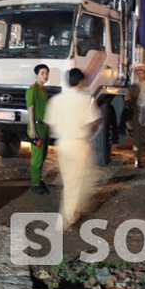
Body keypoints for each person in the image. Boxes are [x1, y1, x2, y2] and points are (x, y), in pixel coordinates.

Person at [44, 68, 102, 230]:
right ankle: (64, 220)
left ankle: (72, 213)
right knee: (76, 183)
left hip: (62, 144)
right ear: (81, 82)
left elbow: (50, 122)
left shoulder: (56, 100)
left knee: (70, 181)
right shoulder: (83, 99)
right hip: (78, 144)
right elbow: (92, 122)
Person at [26, 64, 50, 195]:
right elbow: (31, 109)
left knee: (43, 154)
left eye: (46, 73)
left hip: (44, 126)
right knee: (37, 157)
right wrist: (32, 129)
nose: (45, 76)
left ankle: (39, 179)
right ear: (36, 75)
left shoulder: (43, 90)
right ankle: (35, 183)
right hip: (36, 127)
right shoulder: (33, 90)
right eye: (42, 73)